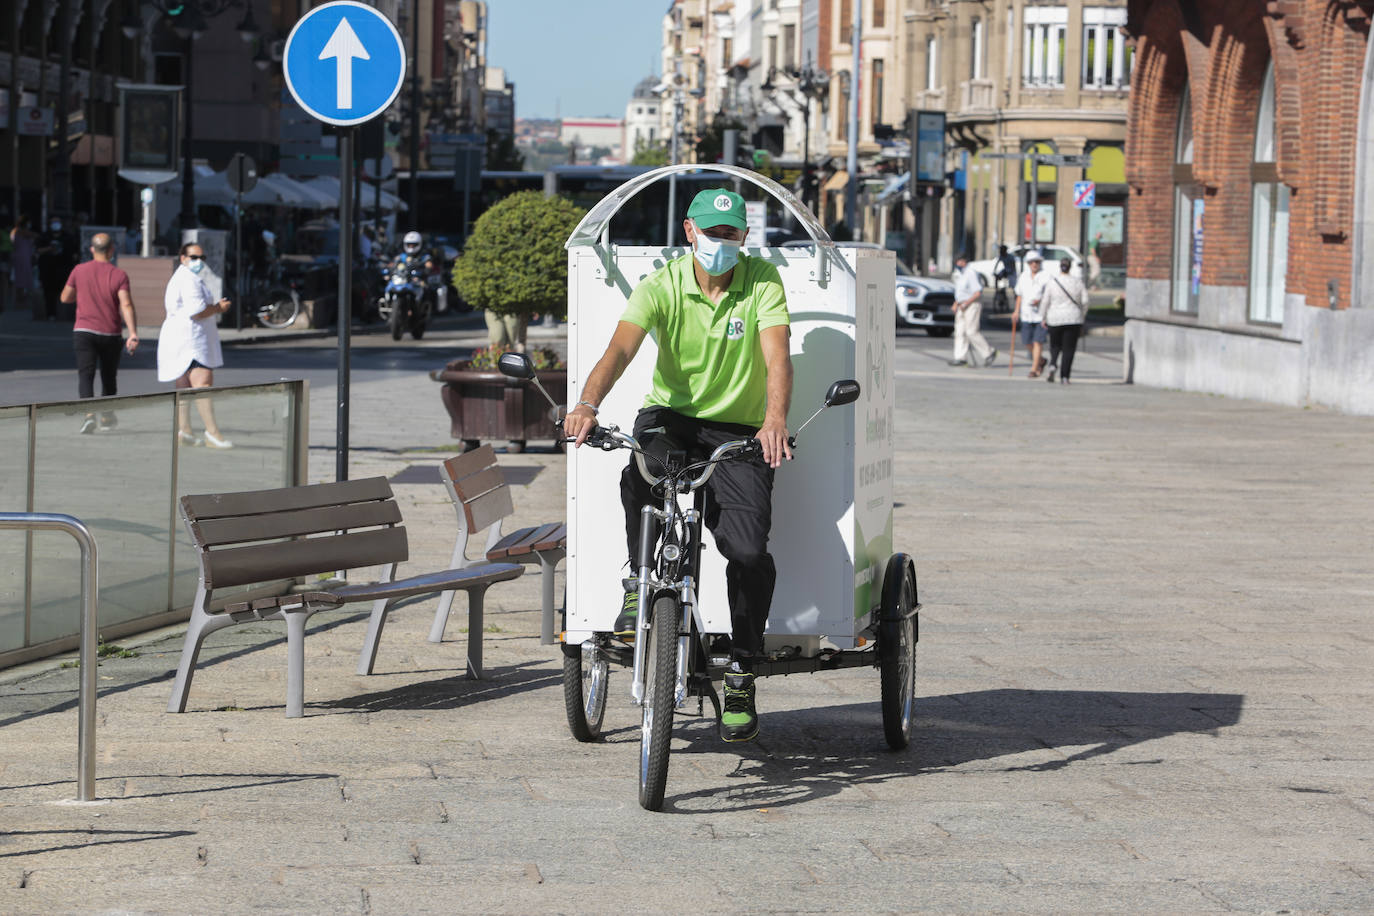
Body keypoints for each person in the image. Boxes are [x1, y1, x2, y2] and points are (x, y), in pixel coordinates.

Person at [563, 188, 792, 744]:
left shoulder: (761, 280)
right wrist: (587, 405)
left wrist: (774, 419)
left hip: (739, 429)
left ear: (743, 236)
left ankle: (741, 668)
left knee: (748, 550)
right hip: (672, 417)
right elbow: (619, 351)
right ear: (690, 232)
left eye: (731, 234)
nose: (721, 243)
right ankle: (640, 582)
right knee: (642, 468)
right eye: (711, 234)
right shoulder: (662, 285)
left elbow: (777, 354)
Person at [60, 232, 140, 432]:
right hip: (110, 333)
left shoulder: (79, 270)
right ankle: (106, 415)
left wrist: (83, 294)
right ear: (112, 250)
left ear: (92, 250)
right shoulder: (119, 275)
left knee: (85, 375)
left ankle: (88, 415)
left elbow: (65, 297)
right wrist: (132, 333)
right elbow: (127, 304)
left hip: (84, 331)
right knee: (109, 375)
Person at [158, 242, 234, 448]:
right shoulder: (188, 280)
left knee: (184, 386)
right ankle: (212, 432)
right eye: (194, 257)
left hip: (181, 339)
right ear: (182, 258)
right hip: (192, 341)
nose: (199, 262)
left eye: (202, 258)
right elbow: (197, 311)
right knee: (202, 384)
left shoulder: (183, 278)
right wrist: (219, 307)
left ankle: (184, 430)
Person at [1041, 256, 1089, 384]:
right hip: (1073, 318)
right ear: (1070, 267)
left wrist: (1043, 317)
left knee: (1055, 344)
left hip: (1054, 318)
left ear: (1060, 267)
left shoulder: (1052, 282)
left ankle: (1052, 364)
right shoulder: (1077, 282)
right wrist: (1082, 315)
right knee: (1069, 348)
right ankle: (1065, 376)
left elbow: (1045, 301)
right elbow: (1085, 301)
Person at [947, 253, 997, 368]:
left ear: (964, 261)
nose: (957, 264)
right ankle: (960, 357)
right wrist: (956, 304)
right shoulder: (960, 274)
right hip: (961, 305)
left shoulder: (971, 273)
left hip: (972, 305)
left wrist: (966, 303)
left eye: (959, 261)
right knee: (960, 332)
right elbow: (960, 293)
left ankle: (988, 352)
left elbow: (978, 292)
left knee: (971, 331)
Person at [1013, 250, 1049, 377]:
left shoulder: (1046, 276)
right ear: (1028, 263)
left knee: (1037, 342)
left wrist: (1040, 300)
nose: (1034, 264)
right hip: (1026, 314)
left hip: (1041, 315)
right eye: (1032, 262)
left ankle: (1034, 369)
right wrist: (1016, 311)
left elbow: (1049, 294)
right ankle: (1041, 360)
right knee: (1027, 342)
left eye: (1037, 262)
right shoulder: (1023, 276)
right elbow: (1019, 295)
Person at [36, 215, 78, 321]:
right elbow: (38, 250)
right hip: (47, 270)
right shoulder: (44, 236)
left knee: (64, 293)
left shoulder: (67, 237)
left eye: (57, 222)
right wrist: (50, 248)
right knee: (49, 294)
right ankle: (51, 314)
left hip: (63, 270)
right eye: (53, 222)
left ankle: (64, 315)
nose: (56, 225)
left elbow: (73, 253)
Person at [11, 215, 38, 319]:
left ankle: (22, 301)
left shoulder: (18, 231)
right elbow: (34, 235)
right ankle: (20, 301)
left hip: (24, 257)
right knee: (21, 280)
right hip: (21, 258)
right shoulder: (19, 231)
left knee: (23, 279)